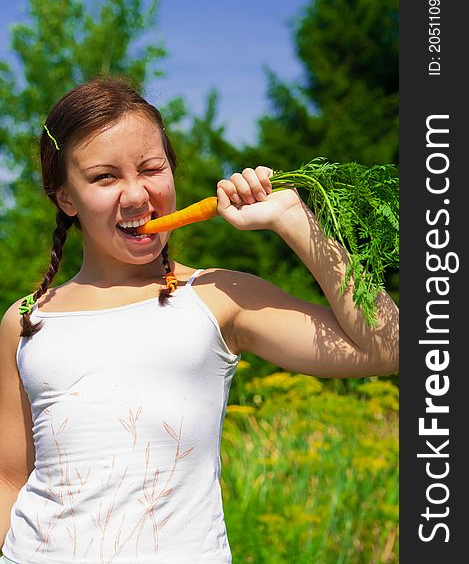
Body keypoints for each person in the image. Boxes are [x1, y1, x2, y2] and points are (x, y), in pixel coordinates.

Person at [0, 76, 399, 564]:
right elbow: (9, 478)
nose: (135, 195)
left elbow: (387, 345)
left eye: (151, 168)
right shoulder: (26, 319)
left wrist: (295, 219)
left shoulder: (217, 295)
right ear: (65, 197)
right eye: (104, 177)